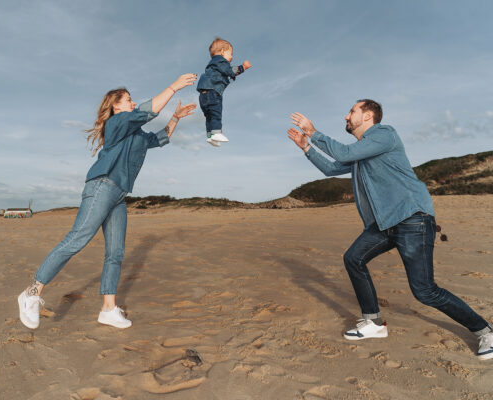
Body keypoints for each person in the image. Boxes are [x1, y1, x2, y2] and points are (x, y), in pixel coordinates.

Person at [287, 99, 493, 360]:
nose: (346, 117)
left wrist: (313, 132)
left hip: (411, 219)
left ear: (369, 116)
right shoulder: (362, 151)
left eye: (352, 112)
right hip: (384, 224)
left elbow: (342, 154)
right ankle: (373, 322)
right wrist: (307, 147)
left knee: (425, 291)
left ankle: (485, 331)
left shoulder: (385, 135)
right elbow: (332, 167)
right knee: (353, 258)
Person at [18, 74, 197, 329]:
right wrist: (174, 87)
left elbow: (159, 139)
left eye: (132, 100)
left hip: (119, 195)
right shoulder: (118, 124)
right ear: (116, 106)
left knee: (115, 252)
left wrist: (176, 118)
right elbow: (149, 111)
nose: (133, 103)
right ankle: (31, 293)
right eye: (129, 100)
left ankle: (108, 309)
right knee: (77, 239)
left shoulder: (136, 134)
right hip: (102, 186)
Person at [197, 37, 251, 147]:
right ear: (222, 51)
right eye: (230, 54)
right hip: (213, 92)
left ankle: (210, 136)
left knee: (209, 116)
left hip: (203, 95)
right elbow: (230, 71)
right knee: (216, 113)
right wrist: (243, 67)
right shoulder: (220, 60)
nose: (231, 57)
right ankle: (216, 133)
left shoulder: (212, 64)